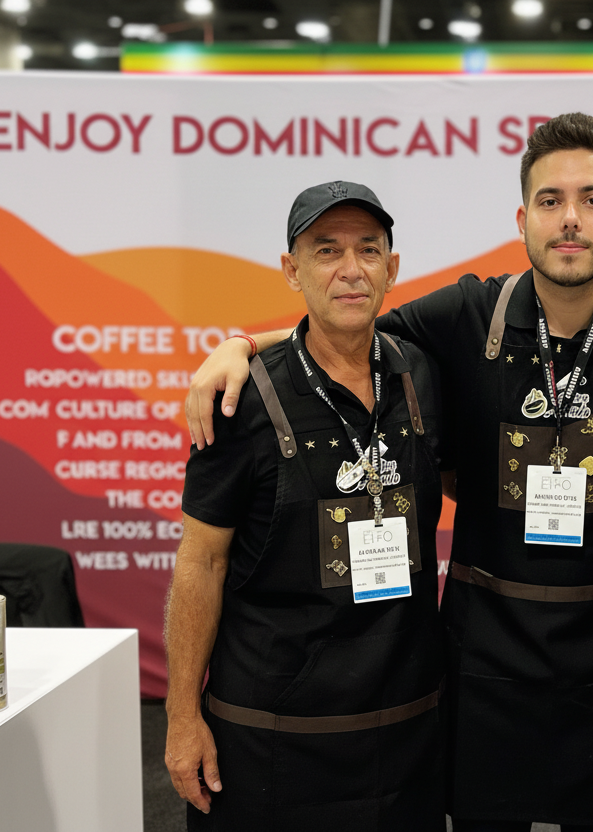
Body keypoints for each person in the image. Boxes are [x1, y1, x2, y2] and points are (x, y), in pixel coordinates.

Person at [183, 114, 593, 830]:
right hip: (484, 669)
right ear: (522, 219)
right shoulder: (466, 314)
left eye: (592, 200)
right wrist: (240, 345)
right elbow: (343, 324)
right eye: (550, 201)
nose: (571, 220)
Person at [163, 181, 447, 831]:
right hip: (270, 741)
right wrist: (182, 718)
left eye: (368, 250)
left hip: (402, 740)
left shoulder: (422, 376)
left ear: (392, 268)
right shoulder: (240, 401)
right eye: (326, 251)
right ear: (291, 270)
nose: (351, 269)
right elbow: (200, 563)